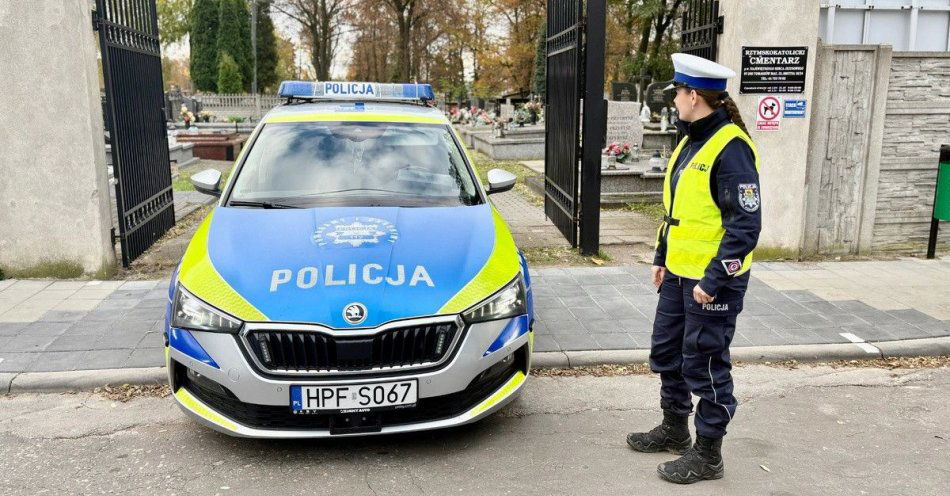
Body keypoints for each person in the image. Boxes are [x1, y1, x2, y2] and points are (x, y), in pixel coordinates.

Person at [626, 53, 762, 484]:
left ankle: (708, 455)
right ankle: (673, 430)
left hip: (711, 282)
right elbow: (678, 210)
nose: (674, 101)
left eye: (678, 93)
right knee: (668, 354)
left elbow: (746, 226)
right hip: (679, 275)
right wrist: (661, 257)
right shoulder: (690, 140)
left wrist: (715, 280)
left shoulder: (732, 148)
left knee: (704, 365)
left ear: (695, 96)